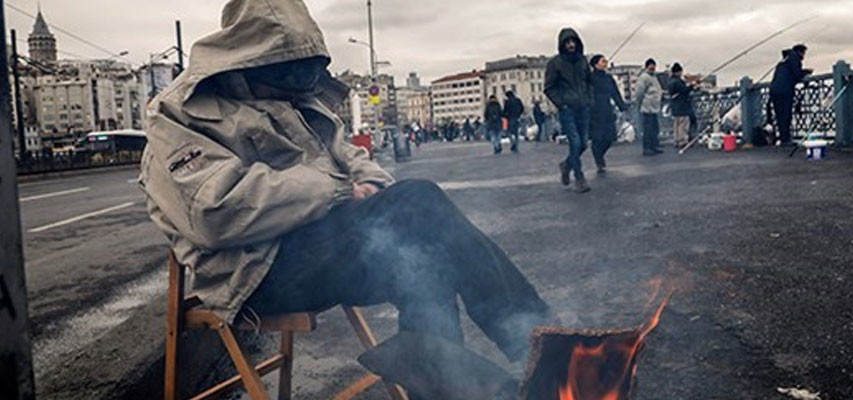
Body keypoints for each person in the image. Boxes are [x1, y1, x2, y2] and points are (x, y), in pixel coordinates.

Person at [140, 0, 550, 377]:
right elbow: (215, 209)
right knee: (418, 201)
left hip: (326, 249)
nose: (298, 83)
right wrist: (335, 191)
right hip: (257, 271)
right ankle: (543, 346)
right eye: (287, 70)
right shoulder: (179, 114)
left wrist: (368, 181)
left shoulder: (298, 99)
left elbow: (348, 155)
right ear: (246, 61)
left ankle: (450, 383)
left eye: (305, 70)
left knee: (424, 260)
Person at [544, 28, 594, 193]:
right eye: (567, 42)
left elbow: (590, 82)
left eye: (573, 42)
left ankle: (566, 165)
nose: (571, 45)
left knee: (584, 143)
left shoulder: (582, 61)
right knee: (575, 142)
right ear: (562, 45)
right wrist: (561, 104)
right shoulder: (555, 63)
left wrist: (589, 100)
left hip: (583, 108)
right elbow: (549, 88)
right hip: (567, 109)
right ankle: (579, 178)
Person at [588, 54, 627, 174]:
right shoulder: (590, 78)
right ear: (595, 64)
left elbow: (615, 93)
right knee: (597, 138)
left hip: (607, 109)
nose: (605, 63)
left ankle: (599, 155)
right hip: (594, 111)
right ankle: (599, 161)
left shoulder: (608, 78)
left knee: (609, 138)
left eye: (605, 61)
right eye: (603, 61)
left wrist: (622, 106)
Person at [769, 44, 813, 146]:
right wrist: (806, 72)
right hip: (784, 90)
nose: (803, 56)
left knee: (780, 115)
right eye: (804, 53)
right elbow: (796, 74)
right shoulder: (794, 58)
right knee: (786, 115)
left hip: (774, 90)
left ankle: (783, 139)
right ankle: (786, 140)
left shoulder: (783, 61)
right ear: (800, 52)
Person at [634, 58, 664, 156]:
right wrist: (640, 103)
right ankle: (647, 148)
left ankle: (654, 146)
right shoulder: (644, 77)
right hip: (647, 107)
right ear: (647, 66)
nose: (653, 69)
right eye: (651, 67)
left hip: (655, 107)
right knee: (648, 129)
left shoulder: (654, 77)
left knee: (655, 128)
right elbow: (639, 92)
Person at [667, 63, 696, 148]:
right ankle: (682, 141)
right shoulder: (678, 81)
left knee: (676, 124)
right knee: (683, 124)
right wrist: (692, 86)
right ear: (678, 72)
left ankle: (676, 140)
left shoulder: (670, 81)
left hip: (675, 106)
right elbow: (685, 90)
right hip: (682, 106)